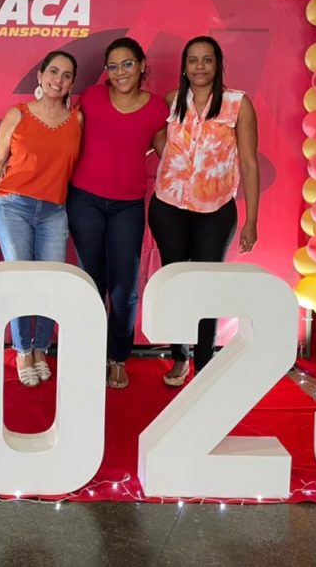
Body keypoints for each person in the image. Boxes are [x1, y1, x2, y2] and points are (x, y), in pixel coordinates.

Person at [149, 35, 260, 387]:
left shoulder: (237, 104)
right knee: (177, 283)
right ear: (184, 66)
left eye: (207, 59)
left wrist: (252, 220)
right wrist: (171, 158)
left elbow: (249, 162)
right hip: (169, 207)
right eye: (193, 60)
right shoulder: (172, 102)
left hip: (215, 211)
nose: (200, 66)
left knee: (207, 287)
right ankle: (179, 358)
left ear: (218, 64)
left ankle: (203, 362)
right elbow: (153, 137)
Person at [67, 37, 168, 389]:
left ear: (142, 65)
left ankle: (118, 358)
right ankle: (91, 353)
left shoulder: (156, 108)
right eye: (113, 66)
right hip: (85, 202)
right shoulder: (92, 97)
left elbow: (170, 156)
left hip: (127, 206)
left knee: (125, 289)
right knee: (92, 281)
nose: (120, 72)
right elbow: (65, 135)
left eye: (127, 64)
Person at [0, 51, 82, 387]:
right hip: (13, 206)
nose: (58, 80)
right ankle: (23, 350)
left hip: (54, 211)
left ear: (72, 83)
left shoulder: (77, 120)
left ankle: (41, 348)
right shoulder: (18, 114)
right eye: (53, 71)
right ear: (40, 76)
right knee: (21, 281)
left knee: (51, 283)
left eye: (66, 75)